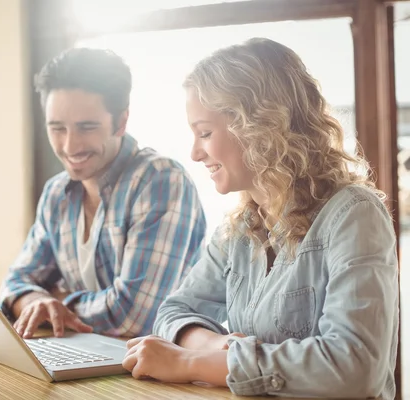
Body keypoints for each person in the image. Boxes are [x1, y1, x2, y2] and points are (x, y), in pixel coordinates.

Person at [123, 38, 399, 399]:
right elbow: (176, 309)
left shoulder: (354, 215)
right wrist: (216, 347)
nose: (194, 152)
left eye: (205, 133)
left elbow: (355, 367)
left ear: (259, 127)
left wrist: (192, 363)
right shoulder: (239, 227)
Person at [0, 48, 207, 339]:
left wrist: (59, 301)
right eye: (57, 128)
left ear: (121, 121)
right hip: (90, 360)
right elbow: (14, 282)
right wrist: (36, 302)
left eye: (87, 127)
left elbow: (133, 317)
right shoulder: (57, 193)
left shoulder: (159, 180)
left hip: (162, 375)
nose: (70, 146)